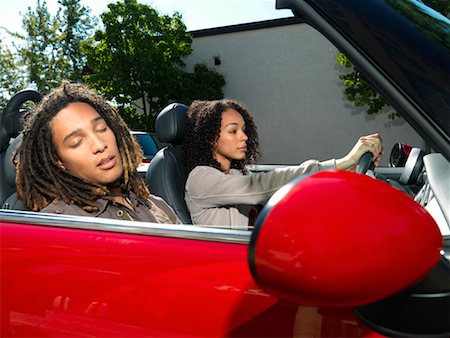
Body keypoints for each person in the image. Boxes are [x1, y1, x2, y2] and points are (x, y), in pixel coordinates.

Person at [183, 99, 383, 229]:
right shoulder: (200, 178)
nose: (244, 137)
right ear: (210, 138)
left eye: (244, 130)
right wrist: (340, 162)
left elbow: (279, 191)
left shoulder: (235, 175)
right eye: (233, 131)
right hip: (234, 266)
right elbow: (262, 187)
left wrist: (343, 174)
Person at [13, 81, 180, 224]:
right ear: (59, 161)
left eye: (101, 129)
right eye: (77, 142)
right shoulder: (60, 227)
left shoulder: (155, 204)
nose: (99, 145)